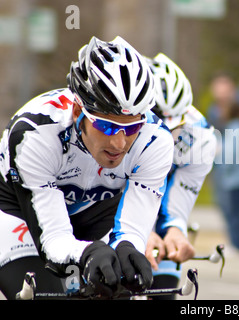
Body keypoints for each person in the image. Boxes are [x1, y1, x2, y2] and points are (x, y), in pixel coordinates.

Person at [0, 36, 174, 299]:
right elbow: (54, 240)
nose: (119, 142)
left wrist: (128, 245)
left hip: (95, 210)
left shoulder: (155, 140)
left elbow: (132, 229)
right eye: (107, 126)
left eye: (132, 127)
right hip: (18, 209)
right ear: (77, 111)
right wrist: (85, 254)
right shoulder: (35, 135)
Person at [143, 53, 217, 298]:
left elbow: (180, 198)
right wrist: (138, 232)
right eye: (156, 122)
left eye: (173, 125)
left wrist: (174, 229)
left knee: (163, 291)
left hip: (154, 203)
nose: (165, 133)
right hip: (104, 211)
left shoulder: (200, 135)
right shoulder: (112, 129)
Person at [207, 72, 239, 250]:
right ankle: (236, 244)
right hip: (224, 174)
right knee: (228, 211)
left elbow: (234, 152)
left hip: (235, 175)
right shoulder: (214, 110)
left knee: (235, 214)